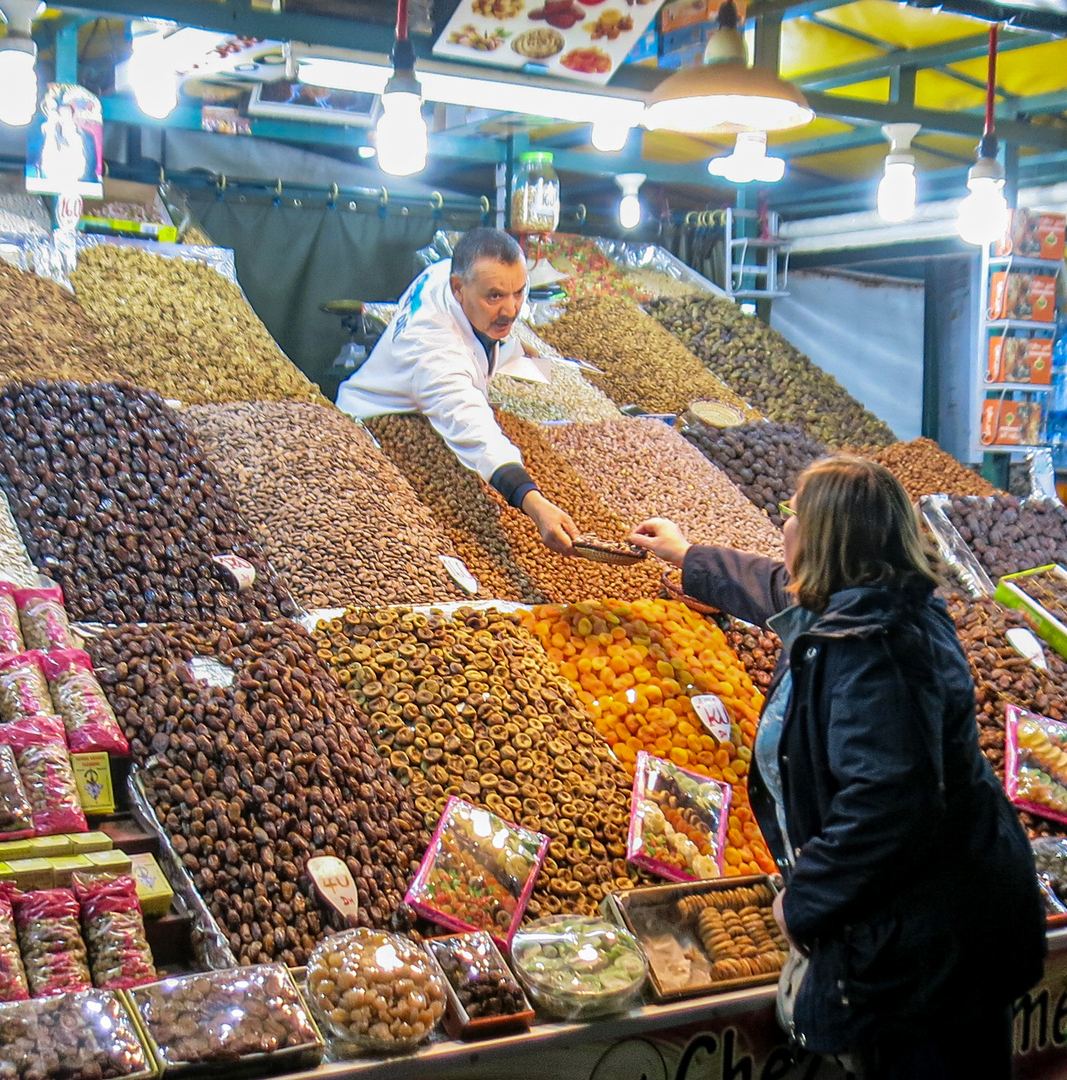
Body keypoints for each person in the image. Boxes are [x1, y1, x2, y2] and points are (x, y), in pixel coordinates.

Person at [627, 456, 1043, 1080]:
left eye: (793, 516)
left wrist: (804, 902)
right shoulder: (863, 601)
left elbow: (886, 808)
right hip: (934, 924)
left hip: (937, 945)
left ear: (825, 542)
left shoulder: (877, 651)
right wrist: (688, 556)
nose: (783, 525)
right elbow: (779, 587)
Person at [336, 227, 581, 554]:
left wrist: (508, 346)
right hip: (375, 433)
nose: (510, 310)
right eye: (495, 296)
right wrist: (534, 504)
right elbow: (475, 430)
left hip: (420, 418)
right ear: (458, 288)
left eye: (519, 292)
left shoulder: (448, 274)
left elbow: (474, 334)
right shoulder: (433, 352)